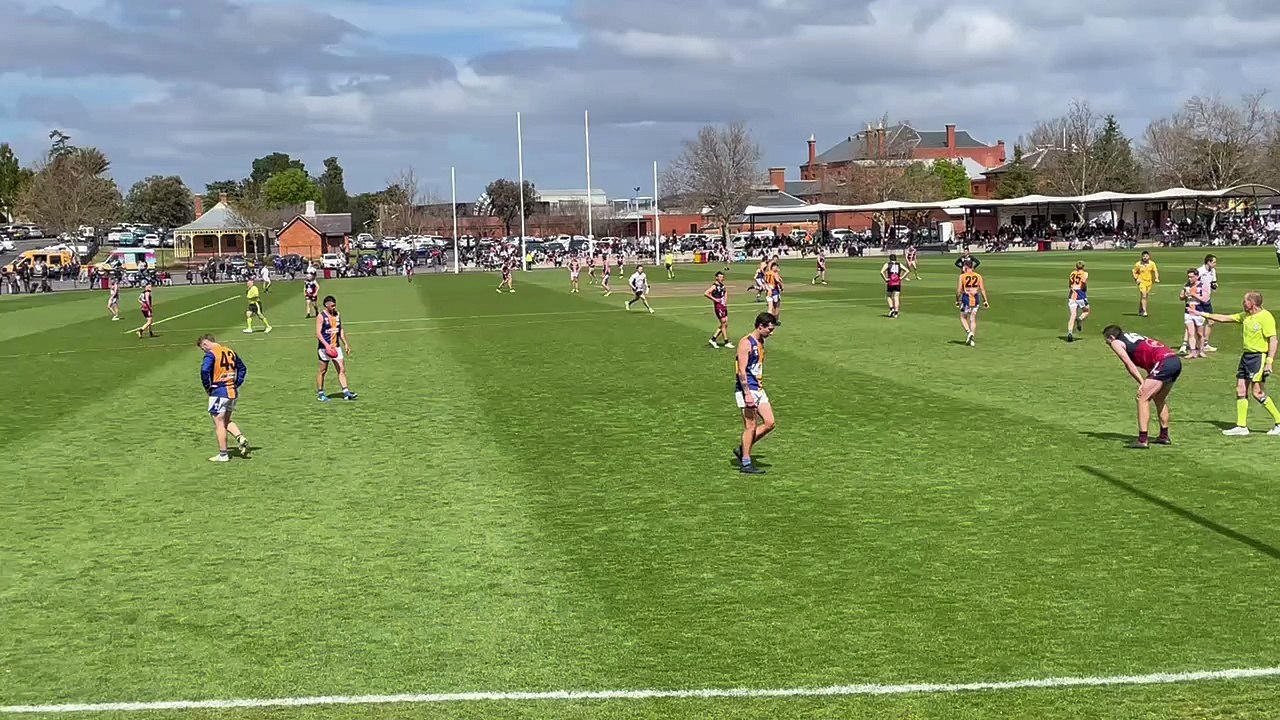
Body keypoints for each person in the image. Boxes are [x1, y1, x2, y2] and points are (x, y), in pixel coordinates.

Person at [1190, 291, 1280, 436]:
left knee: (1258, 393)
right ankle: (1242, 426)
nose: (1242, 303)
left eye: (1245, 301)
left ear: (1252, 303)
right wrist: (1201, 314)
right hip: (1246, 357)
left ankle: (1279, 422)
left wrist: (1269, 362)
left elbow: (1273, 340)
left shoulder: (1266, 317)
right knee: (1240, 389)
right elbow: (1224, 318)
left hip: (1258, 358)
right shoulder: (1245, 316)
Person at [1101, 325, 1180, 449]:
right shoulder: (1132, 336)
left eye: (1107, 340)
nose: (1107, 343)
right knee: (1159, 398)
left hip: (1163, 362)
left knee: (1142, 398)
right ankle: (1164, 436)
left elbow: (1128, 363)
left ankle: (1143, 440)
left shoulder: (1116, 342)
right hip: (1174, 360)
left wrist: (1142, 382)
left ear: (1111, 337)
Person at [733, 312, 778, 475]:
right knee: (750, 426)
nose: (771, 333)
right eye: (769, 329)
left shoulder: (760, 341)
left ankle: (743, 448)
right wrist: (747, 394)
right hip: (748, 389)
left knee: (770, 423)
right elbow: (741, 371)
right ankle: (746, 463)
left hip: (758, 387)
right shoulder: (746, 343)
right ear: (760, 326)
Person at [198, 334, 250, 462]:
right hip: (232, 392)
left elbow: (204, 371)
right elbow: (242, 368)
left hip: (219, 392)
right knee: (226, 420)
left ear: (205, 343)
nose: (204, 351)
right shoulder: (230, 352)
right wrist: (236, 383)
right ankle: (240, 437)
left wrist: (208, 387)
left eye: (203, 348)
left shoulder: (211, 354)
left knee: (219, 423)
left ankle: (223, 454)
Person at [315, 295, 357, 402]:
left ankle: (346, 392)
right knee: (323, 371)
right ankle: (321, 393)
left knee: (341, 369)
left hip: (336, 347)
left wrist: (345, 343)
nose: (334, 307)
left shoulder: (337, 315)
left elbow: (340, 330)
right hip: (324, 349)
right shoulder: (321, 316)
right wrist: (326, 345)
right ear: (326, 305)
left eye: (335, 305)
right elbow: (318, 333)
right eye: (332, 306)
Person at [955, 262, 988, 346]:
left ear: (966, 267)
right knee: (972, 319)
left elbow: (959, 290)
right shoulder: (978, 276)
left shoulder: (962, 276)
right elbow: (982, 289)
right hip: (976, 299)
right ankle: (972, 340)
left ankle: (969, 332)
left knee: (963, 317)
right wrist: (985, 300)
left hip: (966, 299)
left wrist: (957, 300)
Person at [1179, 267, 1208, 359]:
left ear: (1197, 276)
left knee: (1200, 334)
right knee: (1191, 333)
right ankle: (1192, 352)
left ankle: (1201, 351)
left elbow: (1205, 299)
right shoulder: (1186, 285)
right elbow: (1181, 297)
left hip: (1199, 312)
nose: (1189, 279)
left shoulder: (1202, 286)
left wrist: (1194, 294)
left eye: (1191, 277)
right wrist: (1185, 296)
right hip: (1188, 312)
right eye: (1188, 277)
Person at [1196, 254, 1219, 352]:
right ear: (1208, 262)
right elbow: (1193, 283)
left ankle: (1205, 343)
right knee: (1198, 322)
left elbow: (1213, 283)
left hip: (1207, 299)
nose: (1215, 264)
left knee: (1211, 321)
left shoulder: (1213, 271)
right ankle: (1194, 343)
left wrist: (1214, 285)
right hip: (1198, 300)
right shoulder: (1200, 271)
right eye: (1214, 262)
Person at [705, 270, 731, 347]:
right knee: (723, 323)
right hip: (718, 306)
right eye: (720, 277)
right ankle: (726, 342)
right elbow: (706, 293)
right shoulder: (714, 286)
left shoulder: (722, 286)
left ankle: (713, 339)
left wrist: (725, 301)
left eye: (722, 277)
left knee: (725, 324)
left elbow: (725, 292)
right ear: (716, 278)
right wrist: (715, 299)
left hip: (723, 306)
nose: (721, 278)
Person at [1066, 261, 1090, 342]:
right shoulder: (1085, 273)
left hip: (1072, 294)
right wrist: (1084, 288)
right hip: (1080, 294)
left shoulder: (1072, 273)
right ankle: (1080, 319)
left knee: (1073, 315)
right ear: (1083, 266)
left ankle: (1070, 332)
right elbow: (1083, 282)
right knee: (1086, 311)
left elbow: (1069, 284)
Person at [1132, 251, 1160, 317]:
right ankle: (1144, 311)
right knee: (1144, 295)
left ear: (1149, 256)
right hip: (1141, 281)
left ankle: (1140, 310)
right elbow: (1134, 271)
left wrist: (1157, 278)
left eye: (1146, 256)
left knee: (1144, 296)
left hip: (1149, 282)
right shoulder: (1138, 264)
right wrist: (1136, 278)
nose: (1145, 257)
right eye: (1144, 256)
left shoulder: (1152, 263)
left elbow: (1155, 271)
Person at [881, 253, 904, 318]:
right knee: (896, 297)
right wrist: (901, 277)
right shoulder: (899, 264)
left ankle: (891, 309)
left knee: (889, 296)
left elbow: (881, 272)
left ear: (890, 259)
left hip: (890, 282)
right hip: (897, 282)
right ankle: (896, 313)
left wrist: (885, 279)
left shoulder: (887, 264)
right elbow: (907, 270)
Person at [765, 260, 783, 324]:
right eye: (775, 267)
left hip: (769, 291)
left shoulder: (767, 273)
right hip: (775, 291)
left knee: (771, 308)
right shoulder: (774, 273)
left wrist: (768, 289)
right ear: (773, 267)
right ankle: (776, 320)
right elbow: (777, 281)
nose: (776, 268)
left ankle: (769, 320)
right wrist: (781, 286)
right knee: (777, 307)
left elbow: (765, 282)